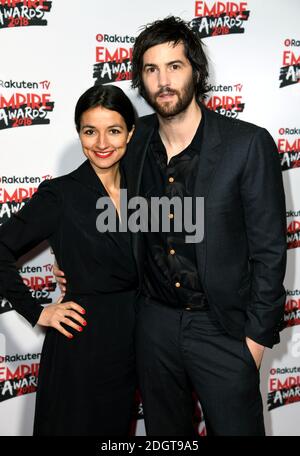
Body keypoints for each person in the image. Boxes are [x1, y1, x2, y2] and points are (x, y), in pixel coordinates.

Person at [55, 17, 287, 436]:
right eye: (151, 69)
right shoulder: (133, 139)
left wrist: (254, 343)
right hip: (153, 325)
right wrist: (74, 257)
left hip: (223, 329)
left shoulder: (247, 144)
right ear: (140, 80)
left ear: (196, 71)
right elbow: (87, 197)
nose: (163, 81)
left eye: (174, 66)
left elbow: (270, 252)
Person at [0, 84, 137, 436]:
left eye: (114, 130)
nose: (102, 142)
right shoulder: (60, 194)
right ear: (79, 133)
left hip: (136, 344)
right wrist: (38, 310)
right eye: (90, 131)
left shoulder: (145, 191)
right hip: (81, 346)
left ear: (131, 132)